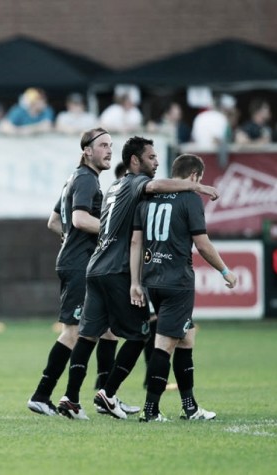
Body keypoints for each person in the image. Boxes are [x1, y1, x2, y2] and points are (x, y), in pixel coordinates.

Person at [56, 136, 219, 420]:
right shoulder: (135, 183)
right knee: (141, 334)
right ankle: (108, 393)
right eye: (152, 157)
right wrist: (196, 186)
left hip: (95, 268)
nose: (157, 163)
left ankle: (71, 398)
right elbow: (154, 188)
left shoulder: (114, 186)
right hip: (117, 270)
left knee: (88, 335)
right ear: (135, 161)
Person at [27, 128, 139, 418]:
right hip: (79, 265)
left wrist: (71, 240)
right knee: (73, 332)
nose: (109, 150)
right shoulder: (87, 180)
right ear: (87, 150)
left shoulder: (75, 178)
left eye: (111, 145)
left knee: (108, 330)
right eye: (103, 145)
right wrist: (111, 230)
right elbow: (78, 219)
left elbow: (54, 221)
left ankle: (106, 395)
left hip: (82, 262)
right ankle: (41, 395)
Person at [130, 153, 238, 422]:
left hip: (152, 277)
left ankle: (190, 407)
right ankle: (151, 410)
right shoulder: (190, 198)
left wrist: (136, 280)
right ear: (194, 176)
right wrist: (225, 270)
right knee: (164, 344)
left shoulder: (148, 197)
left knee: (186, 337)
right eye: (198, 179)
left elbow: (136, 241)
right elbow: (202, 244)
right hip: (177, 281)